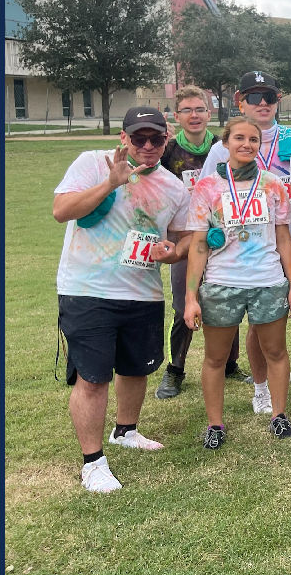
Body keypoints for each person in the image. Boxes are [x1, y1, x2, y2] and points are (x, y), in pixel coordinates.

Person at [53, 106, 191, 492]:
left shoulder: (173, 187)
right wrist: (111, 183)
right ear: (123, 138)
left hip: (142, 291)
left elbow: (182, 241)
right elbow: (61, 210)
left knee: (135, 368)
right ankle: (93, 462)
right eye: (139, 137)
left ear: (167, 141)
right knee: (93, 377)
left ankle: (126, 431)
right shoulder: (92, 164)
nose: (147, 145)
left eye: (156, 138)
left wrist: (173, 252)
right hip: (87, 289)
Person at [202, 71, 291, 414]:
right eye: (254, 97)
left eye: (269, 97)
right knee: (261, 324)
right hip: (250, 255)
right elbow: (204, 199)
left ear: (278, 100)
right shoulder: (221, 148)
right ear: (240, 99)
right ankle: (261, 389)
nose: (262, 104)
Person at [183, 117, 291, 448]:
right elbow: (198, 245)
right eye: (239, 138)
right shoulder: (207, 188)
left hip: (267, 280)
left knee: (275, 352)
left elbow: (283, 238)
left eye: (254, 139)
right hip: (221, 283)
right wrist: (191, 297)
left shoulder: (274, 184)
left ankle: (279, 416)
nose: (247, 144)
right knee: (215, 358)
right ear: (225, 143)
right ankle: (215, 424)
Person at [155, 84, 248, 398]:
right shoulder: (166, 150)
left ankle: (231, 364)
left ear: (210, 113)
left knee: (226, 298)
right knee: (185, 302)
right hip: (184, 238)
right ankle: (175, 370)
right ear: (177, 115)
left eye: (200, 109)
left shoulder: (223, 145)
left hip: (222, 236)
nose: (194, 116)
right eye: (187, 110)